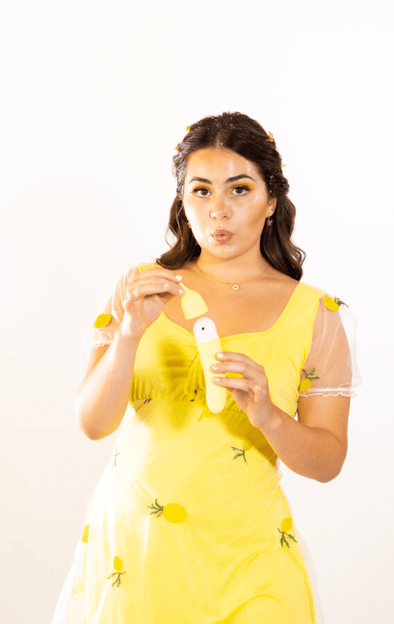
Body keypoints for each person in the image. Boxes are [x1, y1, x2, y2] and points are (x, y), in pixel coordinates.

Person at [52, 112, 359, 623]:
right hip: (137, 549)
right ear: (183, 202)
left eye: (239, 189)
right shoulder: (140, 288)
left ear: (271, 201)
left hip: (251, 557)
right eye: (201, 191)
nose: (219, 209)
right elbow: (92, 424)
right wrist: (128, 337)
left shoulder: (317, 315)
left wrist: (268, 415)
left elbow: (327, 463)